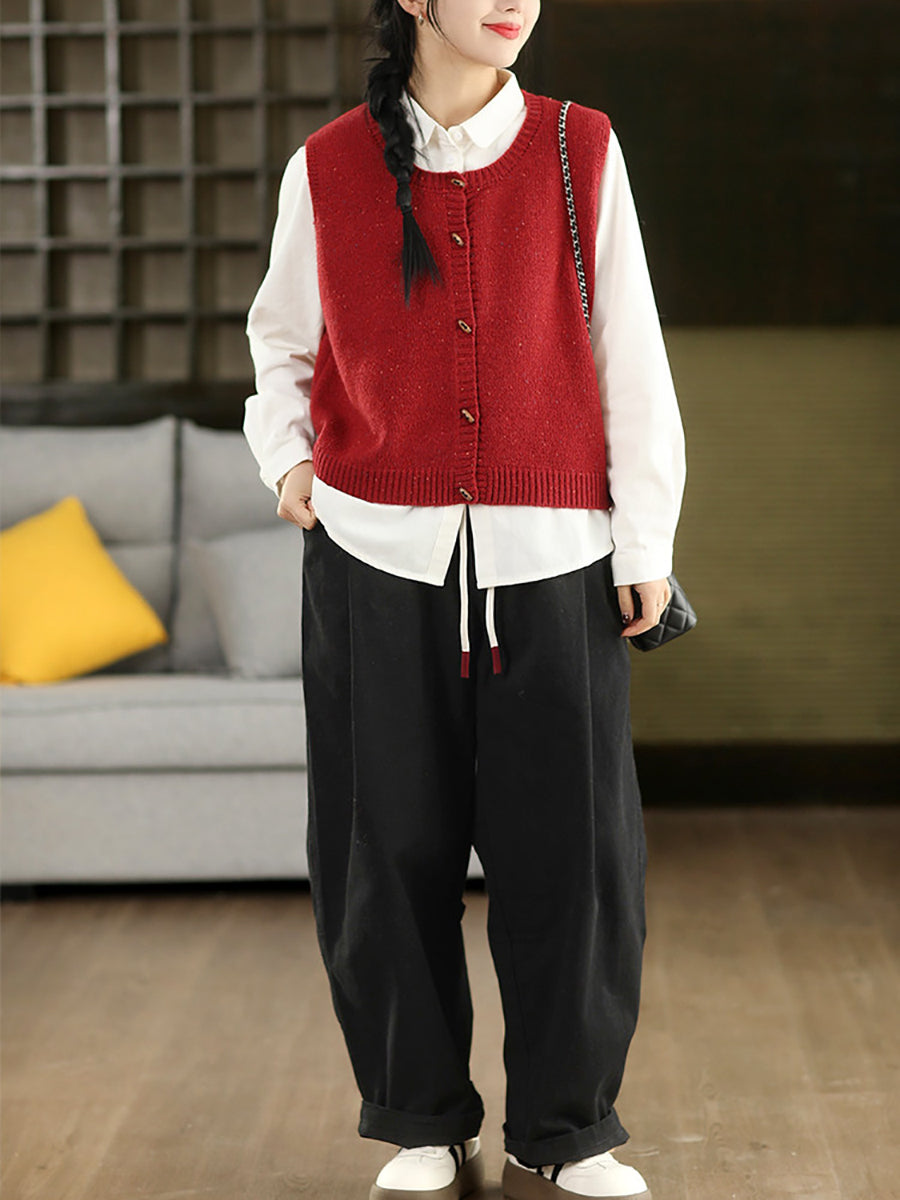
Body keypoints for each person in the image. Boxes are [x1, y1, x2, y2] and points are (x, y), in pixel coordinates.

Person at [243, 0, 685, 1196]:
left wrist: (644, 536)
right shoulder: (327, 166)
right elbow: (280, 343)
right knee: (382, 852)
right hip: (375, 559)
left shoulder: (580, 146)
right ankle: (421, 1118)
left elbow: (630, 349)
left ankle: (568, 1126)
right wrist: (288, 462)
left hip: (557, 558)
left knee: (575, 858)